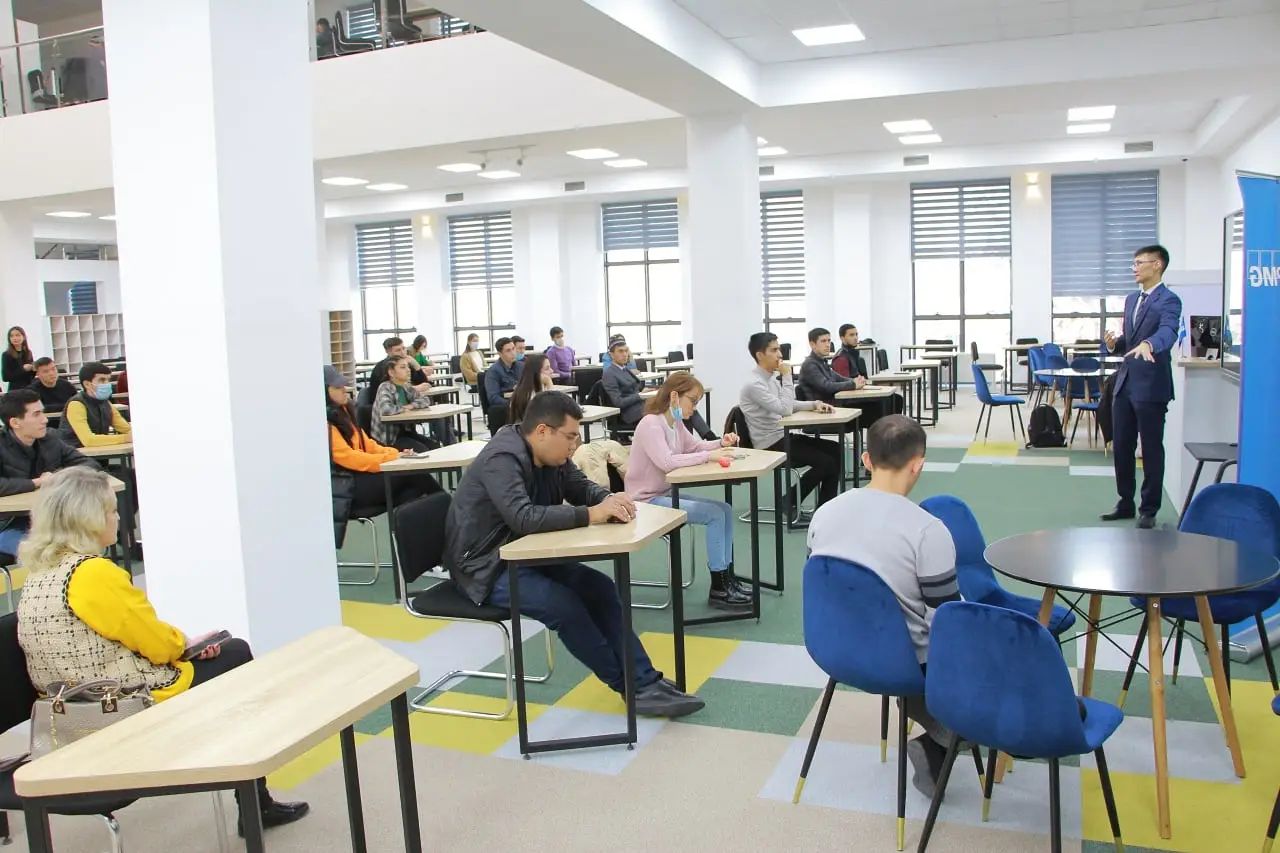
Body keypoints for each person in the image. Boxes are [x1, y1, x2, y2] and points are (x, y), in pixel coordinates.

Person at [15, 466, 310, 834]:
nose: (119, 517)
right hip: (118, 711)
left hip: (67, 715)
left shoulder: (38, 577)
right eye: (111, 510)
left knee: (219, 657)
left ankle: (250, 795)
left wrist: (180, 645)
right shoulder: (92, 574)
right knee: (236, 654)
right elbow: (157, 646)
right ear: (88, 519)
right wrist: (184, 644)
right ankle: (255, 804)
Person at [444, 392, 704, 717]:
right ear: (542, 431)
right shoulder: (502, 458)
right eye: (569, 437)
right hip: (485, 566)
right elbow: (522, 517)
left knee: (600, 589)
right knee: (564, 607)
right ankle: (631, 687)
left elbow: (579, 486)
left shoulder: (550, 456)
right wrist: (592, 514)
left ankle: (644, 680)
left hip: (526, 551)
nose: (574, 445)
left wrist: (609, 499)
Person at [806, 415, 959, 796]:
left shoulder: (824, 513)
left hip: (834, 649)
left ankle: (941, 730)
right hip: (904, 663)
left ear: (865, 460)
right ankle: (947, 729)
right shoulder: (928, 530)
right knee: (991, 659)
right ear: (918, 464)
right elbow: (948, 626)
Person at [624, 373, 751, 611]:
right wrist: (709, 456)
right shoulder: (651, 424)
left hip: (664, 493)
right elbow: (667, 462)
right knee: (715, 514)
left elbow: (694, 447)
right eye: (692, 401)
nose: (694, 407)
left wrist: (720, 443)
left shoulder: (675, 422)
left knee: (724, 509)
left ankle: (727, 578)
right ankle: (719, 588)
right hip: (646, 502)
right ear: (674, 396)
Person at [1102, 244, 1182, 529]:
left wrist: (1150, 343)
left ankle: (1149, 508)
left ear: (1157, 265)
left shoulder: (1169, 300)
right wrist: (1115, 344)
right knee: (1122, 445)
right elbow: (1130, 340)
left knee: (1150, 448)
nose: (1134, 268)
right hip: (1125, 383)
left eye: (1139, 263)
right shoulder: (1131, 299)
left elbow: (1168, 331)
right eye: (1133, 263)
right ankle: (1125, 501)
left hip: (1151, 386)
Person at [740, 332, 840, 519]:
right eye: (774, 350)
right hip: (770, 444)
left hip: (782, 436)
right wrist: (787, 376)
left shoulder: (769, 378)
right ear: (760, 355)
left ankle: (824, 511)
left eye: (778, 349)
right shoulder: (754, 384)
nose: (780, 355)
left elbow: (787, 403)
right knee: (826, 462)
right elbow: (785, 409)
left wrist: (814, 404)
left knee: (835, 449)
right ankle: (789, 501)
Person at [326, 365, 440, 508]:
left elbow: (368, 445)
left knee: (411, 490)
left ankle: (438, 512)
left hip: (361, 476)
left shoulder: (344, 412)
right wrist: (391, 458)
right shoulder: (325, 425)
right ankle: (450, 509)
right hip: (347, 486)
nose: (344, 389)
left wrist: (396, 454)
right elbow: (351, 459)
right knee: (411, 473)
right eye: (337, 387)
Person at [0, 389, 97, 555]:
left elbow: (89, 464)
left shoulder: (50, 439)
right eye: (36, 414)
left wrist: (58, 477)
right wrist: (36, 483)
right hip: (8, 524)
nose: (45, 419)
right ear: (15, 422)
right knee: (49, 553)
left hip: (50, 518)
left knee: (85, 540)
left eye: (43, 412)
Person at [830, 323, 903, 427]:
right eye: (851, 335)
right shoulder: (841, 358)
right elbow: (844, 386)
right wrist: (858, 383)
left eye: (856, 334)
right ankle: (884, 432)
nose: (855, 338)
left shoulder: (852, 353)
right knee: (886, 402)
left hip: (858, 393)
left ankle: (892, 431)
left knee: (896, 399)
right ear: (842, 338)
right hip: (849, 402)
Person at [59, 361, 131, 448]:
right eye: (102, 380)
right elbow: (88, 440)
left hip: (97, 452)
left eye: (108, 380)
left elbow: (125, 428)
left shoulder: (106, 403)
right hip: (74, 453)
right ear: (87, 384)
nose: (107, 384)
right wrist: (125, 438)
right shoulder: (76, 404)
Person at [372, 355, 435, 453]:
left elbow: (425, 400)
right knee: (423, 450)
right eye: (403, 367)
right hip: (390, 438)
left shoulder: (405, 386)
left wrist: (411, 406)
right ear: (391, 372)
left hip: (406, 433)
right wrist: (404, 408)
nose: (408, 370)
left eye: (408, 367)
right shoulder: (385, 387)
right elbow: (386, 409)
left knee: (434, 446)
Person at [798, 327, 856, 404]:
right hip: (822, 407)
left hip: (831, 404)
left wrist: (855, 381)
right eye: (823, 341)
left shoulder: (822, 361)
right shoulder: (809, 364)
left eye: (829, 341)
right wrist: (853, 384)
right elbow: (826, 386)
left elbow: (838, 378)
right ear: (812, 344)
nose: (828, 345)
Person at [602, 339, 646, 429]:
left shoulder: (624, 369)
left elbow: (635, 389)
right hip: (628, 414)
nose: (625, 354)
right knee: (660, 415)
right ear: (611, 354)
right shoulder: (609, 374)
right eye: (620, 351)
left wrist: (645, 392)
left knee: (666, 407)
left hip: (638, 407)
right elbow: (618, 402)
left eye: (626, 351)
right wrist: (639, 396)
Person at [507, 352, 554, 426]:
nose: (552, 371)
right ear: (536, 373)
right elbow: (553, 412)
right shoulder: (528, 395)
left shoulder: (540, 388)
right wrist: (549, 382)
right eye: (547, 368)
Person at [484, 336, 523, 409]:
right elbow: (493, 398)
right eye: (508, 351)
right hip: (506, 406)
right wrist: (512, 404)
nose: (513, 353)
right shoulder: (493, 371)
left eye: (513, 349)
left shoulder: (521, 366)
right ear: (500, 353)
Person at [2, 326, 34, 391]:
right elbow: (5, 377)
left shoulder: (28, 352)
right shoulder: (6, 355)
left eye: (17, 335)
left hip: (29, 388)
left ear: (24, 337)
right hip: (15, 390)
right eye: (11, 336)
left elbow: (31, 375)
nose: (15, 338)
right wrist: (23, 369)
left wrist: (34, 369)